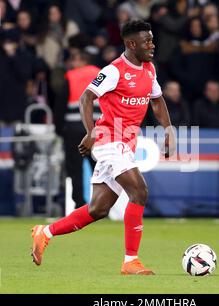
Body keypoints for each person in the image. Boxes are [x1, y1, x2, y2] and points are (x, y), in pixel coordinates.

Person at [31, 20, 175, 275]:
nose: (152, 45)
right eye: (147, 41)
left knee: (98, 209)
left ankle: (46, 232)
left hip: (126, 144)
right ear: (131, 44)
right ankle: (131, 261)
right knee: (139, 191)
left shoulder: (149, 69)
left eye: (152, 40)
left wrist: (168, 128)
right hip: (110, 142)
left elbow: (157, 101)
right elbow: (86, 97)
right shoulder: (114, 71)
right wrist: (90, 131)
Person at [54, 49, 101, 208]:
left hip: (74, 129)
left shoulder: (71, 77)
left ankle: (79, 204)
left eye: (74, 60)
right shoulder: (101, 74)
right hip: (97, 129)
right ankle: (100, 204)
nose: (71, 64)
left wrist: (59, 129)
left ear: (81, 61)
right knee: (99, 169)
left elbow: (60, 105)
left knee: (75, 169)